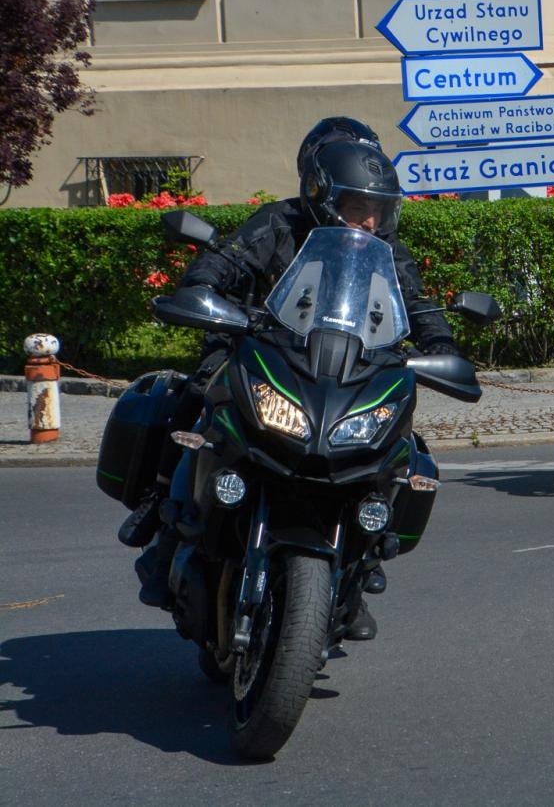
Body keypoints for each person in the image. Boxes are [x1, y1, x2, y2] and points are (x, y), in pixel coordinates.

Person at [129, 120, 458, 641]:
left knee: (400, 441)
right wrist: (207, 296)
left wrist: (440, 348)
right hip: (263, 349)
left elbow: (415, 305)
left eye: (379, 209)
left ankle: (362, 560)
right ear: (323, 193)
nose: (370, 221)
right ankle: (163, 514)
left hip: (349, 367)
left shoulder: (386, 248)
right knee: (199, 394)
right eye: (357, 208)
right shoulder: (276, 224)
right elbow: (222, 267)